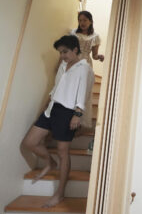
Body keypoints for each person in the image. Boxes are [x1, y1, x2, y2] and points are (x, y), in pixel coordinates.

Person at [21, 35, 94, 208]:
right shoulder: (63, 65)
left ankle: (59, 193)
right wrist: (47, 104)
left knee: (63, 152)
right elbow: (56, 87)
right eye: (60, 52)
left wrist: (78, 114)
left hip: (68, 111)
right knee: (30, 142)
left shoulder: (84, 68)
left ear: (75, 50)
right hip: (51, 108)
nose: (62, 55)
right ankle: (49, 162)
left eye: (65, 52)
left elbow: (83, 91)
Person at [70, 11, 104, 128]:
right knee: (71, 89)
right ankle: (67, 118)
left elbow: (94, 55)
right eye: (80, 20)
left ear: (90, 21)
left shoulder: (95, 36)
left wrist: (99, 57)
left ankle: (79, 122)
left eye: (85, 20)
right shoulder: (73, 33)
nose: (82, 23)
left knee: (83, 92)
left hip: (86, 64)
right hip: (73, 62)